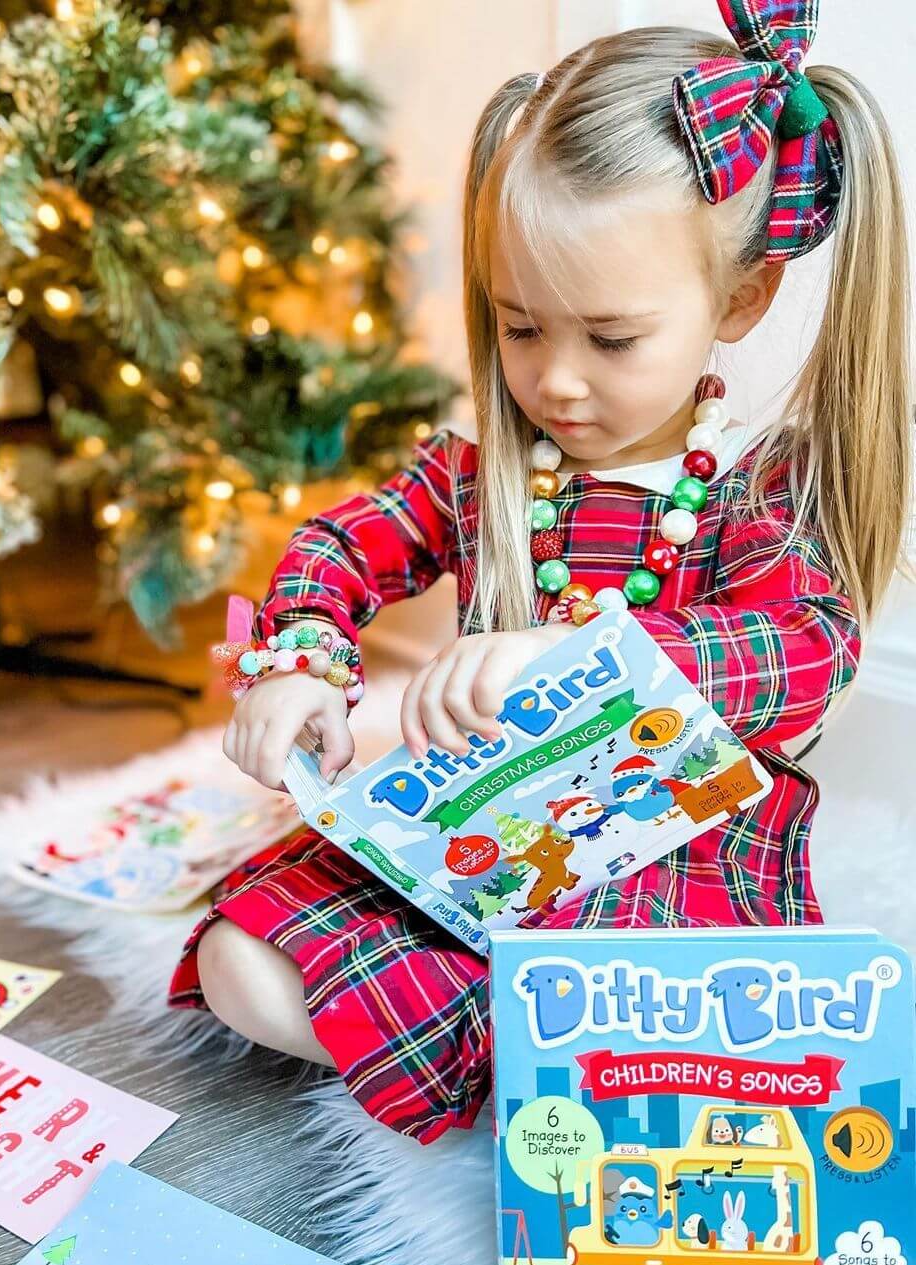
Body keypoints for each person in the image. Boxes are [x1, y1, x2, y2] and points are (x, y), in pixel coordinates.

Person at [169, 0, 911, 1143]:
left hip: (663, 855)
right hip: (475, 845)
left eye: (610, 339)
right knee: (239, 961)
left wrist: (583, 658)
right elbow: (337, 546)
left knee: (653, 991)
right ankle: (558, 1062)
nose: (556, 380)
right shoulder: (480, 478)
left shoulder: (756, 491)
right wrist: (301, 661)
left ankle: (580, 1054)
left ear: (741, 298)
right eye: (521, 328)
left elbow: (808, 650)